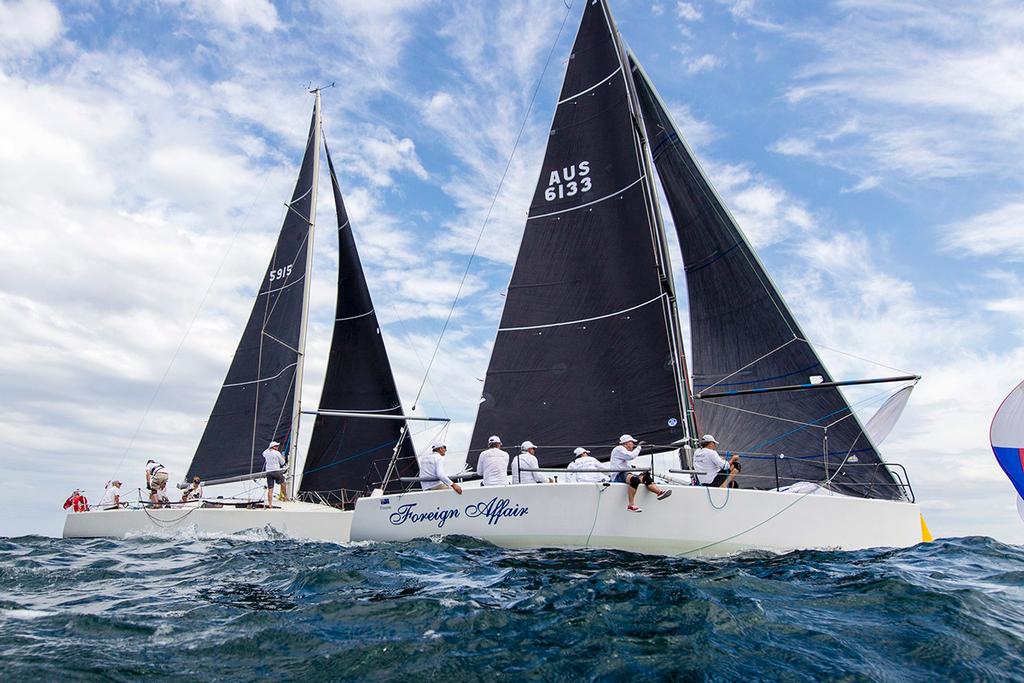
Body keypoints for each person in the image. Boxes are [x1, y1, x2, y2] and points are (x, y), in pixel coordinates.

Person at [610, 434, 671, 512]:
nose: (633, 445)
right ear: (627, 443)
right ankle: (631, 505)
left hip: (625, 474)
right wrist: (639, 447)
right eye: (632, 442)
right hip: (618, 475)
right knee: (635, 480)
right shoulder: (619, 448)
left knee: (645, 477)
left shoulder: (623, 451)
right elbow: (631, 456)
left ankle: (659, 492)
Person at [262, 441, 287, 508]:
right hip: (276, 471)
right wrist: (283, 458)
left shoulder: (266, 452)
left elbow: (263, 454)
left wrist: (269, 448)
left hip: (269, 472)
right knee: (283, 483)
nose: (277, 447)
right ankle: (285, 497)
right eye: (276, 446)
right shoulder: (277, 453)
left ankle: (270, 505)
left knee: (270, 489)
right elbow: (282, 462)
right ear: (273, 447)